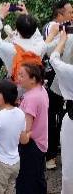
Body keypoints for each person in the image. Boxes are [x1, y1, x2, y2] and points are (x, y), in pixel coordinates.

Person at [0, 3, 54, 81]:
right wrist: (27, 15)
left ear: (17, 29)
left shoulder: (10, 49)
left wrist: (0, 16)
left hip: (16, 88)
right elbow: (37, 35)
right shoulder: (41, 46)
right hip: (34, 86)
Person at [43, 0, 72, 170]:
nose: (72, 15)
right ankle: (51, 155)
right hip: (54, 79)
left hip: (67, 78)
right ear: (60, 14)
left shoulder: (69, 29)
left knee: (64, 118)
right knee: (53, 118)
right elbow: (47, 51)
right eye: (70, 12)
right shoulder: (53, 27)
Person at [15, 62, 48, 193]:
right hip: (40, 142)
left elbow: (26, 130)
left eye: (22, 75)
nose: (18, 78)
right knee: (37, 180)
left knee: (25, 182)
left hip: (30, 145)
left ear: (33, 79)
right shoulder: (41, 90)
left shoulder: (31, 98)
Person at [48, 32, 73, 192]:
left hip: (71, 120)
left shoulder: (68, 70)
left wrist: (62, 41)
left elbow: (53, 58)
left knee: (69, 167)